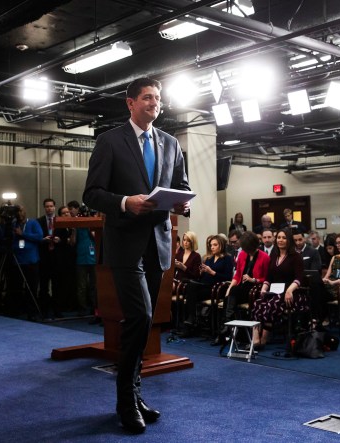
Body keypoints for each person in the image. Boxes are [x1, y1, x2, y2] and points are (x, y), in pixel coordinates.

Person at [82, 77, 191, 434]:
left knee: (143, 321)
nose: (154, 103)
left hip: (158, 243)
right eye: (147, 98)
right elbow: (93, 194)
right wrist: (126, 202)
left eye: (158, 98)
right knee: (140, 316)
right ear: (130, 103)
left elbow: (183, 186)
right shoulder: (110, 141)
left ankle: (135, 393)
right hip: (124, 243)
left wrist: (182, 201)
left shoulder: (172, 143)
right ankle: (125, 398)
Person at [252, 228, 306, 348]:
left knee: (272, 304)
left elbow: (299, 278)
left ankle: (264, 338)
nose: (280, 240)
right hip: (274, 292)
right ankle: (255, 339)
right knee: (258, 303)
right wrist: (264, 288)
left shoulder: (296, 257)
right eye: (279, 237)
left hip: (291, 293)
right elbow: (268, 277)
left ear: (289, 241)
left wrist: (289, 290)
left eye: (284, 238)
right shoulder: (274, 255)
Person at [214, 230, 270, 345]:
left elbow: (267, 278)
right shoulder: (242, 254)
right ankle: (228, 328)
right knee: (228, 293)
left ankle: (225, 330)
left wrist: (254, 280)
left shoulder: (264, 257)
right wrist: (229, 287)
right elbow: (238, 274)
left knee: (232, 293)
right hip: (240, 288)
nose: (245, 251)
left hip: (255, 288)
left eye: (247, 248)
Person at [178, 234, 234, 337]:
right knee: (190, 286)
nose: (212, 247)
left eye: (215, 245)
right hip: (206, 285)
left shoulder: (227, 258)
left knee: (192, 290)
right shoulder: (209, 258)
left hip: (217, 288)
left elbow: (228, 277)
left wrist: (212, 272)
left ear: (221, 245)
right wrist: (202, 272)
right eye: (211, 245)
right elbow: (202, 277)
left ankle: (191, 321)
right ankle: (191, 319)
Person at [7, 206, 43, 320]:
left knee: (31, 287)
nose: (19, 214)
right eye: (17, 211)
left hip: (31, 260)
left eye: (21, 211)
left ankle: (32, 312)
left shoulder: (33, 223)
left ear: (25, 212)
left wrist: (23, 234)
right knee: (16, 287)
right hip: (17, 260)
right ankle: (16, 311)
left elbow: (39, 236)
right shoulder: (13, 224)